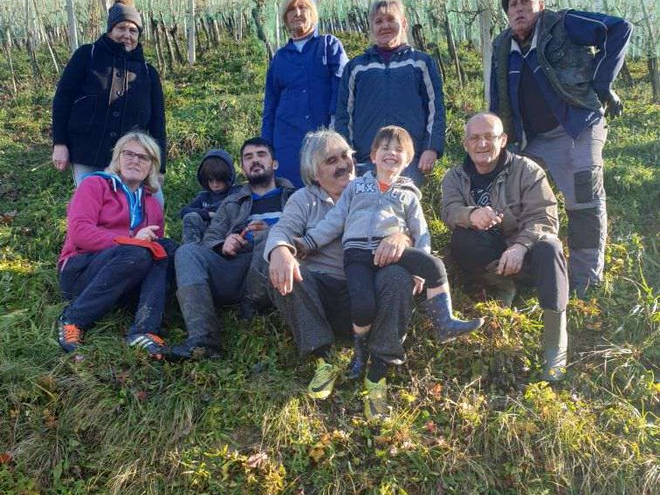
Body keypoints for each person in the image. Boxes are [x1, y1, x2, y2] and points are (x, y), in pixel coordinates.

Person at [295, 125, 483, 381]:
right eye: (385, 148)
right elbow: (334, 221)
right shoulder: (356, 188)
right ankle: (359, 353)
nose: (391, 153)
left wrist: (418, 271)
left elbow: (421, 232)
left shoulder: (408, 195)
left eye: (398, 150)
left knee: (434, 266)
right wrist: (307, 243)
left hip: (389, 253)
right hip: (358, 252)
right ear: (372, 156)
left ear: (407, 161)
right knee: (363, 306)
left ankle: (444, 323)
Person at [490, 0, 632, 296]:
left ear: (541, 6)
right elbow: (496, 98)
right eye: (513, 5)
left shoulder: (563, 24)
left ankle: (586, 279)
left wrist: (602, 84)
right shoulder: (502, 46)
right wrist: (497, 140)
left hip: (575, 127)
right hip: (531, 138)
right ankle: (525, 269)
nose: (519, 9)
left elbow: (619, 28)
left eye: (527, 2)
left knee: (583, 197)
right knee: (515, 199)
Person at [265, 130, 414, 419]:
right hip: (325, 297)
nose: (344, 164)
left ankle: (378, 370)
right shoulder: (303, 199)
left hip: (373, 292)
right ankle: (323, 359)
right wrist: (280, 251)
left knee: (398, 277)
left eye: (346, 155)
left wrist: (402, 238)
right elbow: (282, 230)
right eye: (332, 160)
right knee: (288, 271)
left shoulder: (377, 186)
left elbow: (409, 220)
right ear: (314, 173)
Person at [441, 112, 569, 382]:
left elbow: (545, 217)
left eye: (489, 137)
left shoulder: (527, 170)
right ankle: (503, 286)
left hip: (526, 251)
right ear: (465, 143)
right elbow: (449, 210)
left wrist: (521, 246)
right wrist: (470, 214)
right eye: (475, 138)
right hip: (488, 251)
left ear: (503, 140)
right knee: (462, 238)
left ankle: (555, 343)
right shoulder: (455, 176)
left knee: (550, 247)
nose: (482, 144)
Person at [170, 138, 294, 359]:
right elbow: (209, 239)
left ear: (274, 163)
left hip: (278, 275)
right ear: (243, 168)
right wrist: (223, 244)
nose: (255, 160)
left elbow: (312, 235)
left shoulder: (295, 198)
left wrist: (273, 233)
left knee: (271, 237)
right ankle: (203, 340)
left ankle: (252, 306)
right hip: (236, 270)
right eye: (248, 157)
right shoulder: (232, 202)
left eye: (261, 155)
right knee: (187, 252)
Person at [56, 131, 176, 358]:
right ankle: (73, 319)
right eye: (128, 154)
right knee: (138, 252)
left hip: (124, 276)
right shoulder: (95, 185)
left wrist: (144, 245)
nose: (135, 160)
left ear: (151, 166)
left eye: (143, 157)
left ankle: (144, 329)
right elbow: (80, 233)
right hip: (80, 271)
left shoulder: (151, 202)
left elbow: (153, 249)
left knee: (165, 249)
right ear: (117, 158)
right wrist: (131, 242)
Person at [52, 0, 166, 196]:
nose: (127, 35)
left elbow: (158, 123)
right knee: (95, 210)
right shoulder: (88, 55)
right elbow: (63, 99)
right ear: (110, 29)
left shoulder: (148, 73)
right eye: (121, 28)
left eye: (133, 31)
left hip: (133, 160)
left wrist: (160, 167)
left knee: (151, 207)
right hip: (88, 155)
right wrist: (60, 143)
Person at [335, 0, 444, 186]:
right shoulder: (357, 67)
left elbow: (435, 108)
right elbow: (344, 115)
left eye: (390, 19)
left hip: (407, 160)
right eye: (378, 21)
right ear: (372, 28)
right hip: (366, 160)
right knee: (365, 212)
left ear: (403, 23)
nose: (385, 26)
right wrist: (347, 154)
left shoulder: (420, 63)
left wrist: (431, 148)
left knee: (403, 209)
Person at [261, 0, 348, 189]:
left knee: (330, 194)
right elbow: (270, 107)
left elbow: (342, 87)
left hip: (324, 140)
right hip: (288, 144)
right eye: (291, 9)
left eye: (303, 7)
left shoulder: (329, 45)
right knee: (292, 199)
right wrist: (266, 148)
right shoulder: (280, 59)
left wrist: (336, 126)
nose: (297, 13)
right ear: (285, 18)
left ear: (313, 13)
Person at [179, 149, 238, 243]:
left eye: (219, 180)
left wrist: (207, 212)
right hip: (202, 239)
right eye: (211, 180)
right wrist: (207, 214)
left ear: (228, 177)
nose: (215, 185)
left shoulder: (235, 193)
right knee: (191, 217)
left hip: (226, 238)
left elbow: (225, 209)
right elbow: (184, 211)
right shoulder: (204, 196)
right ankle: (191, 249)